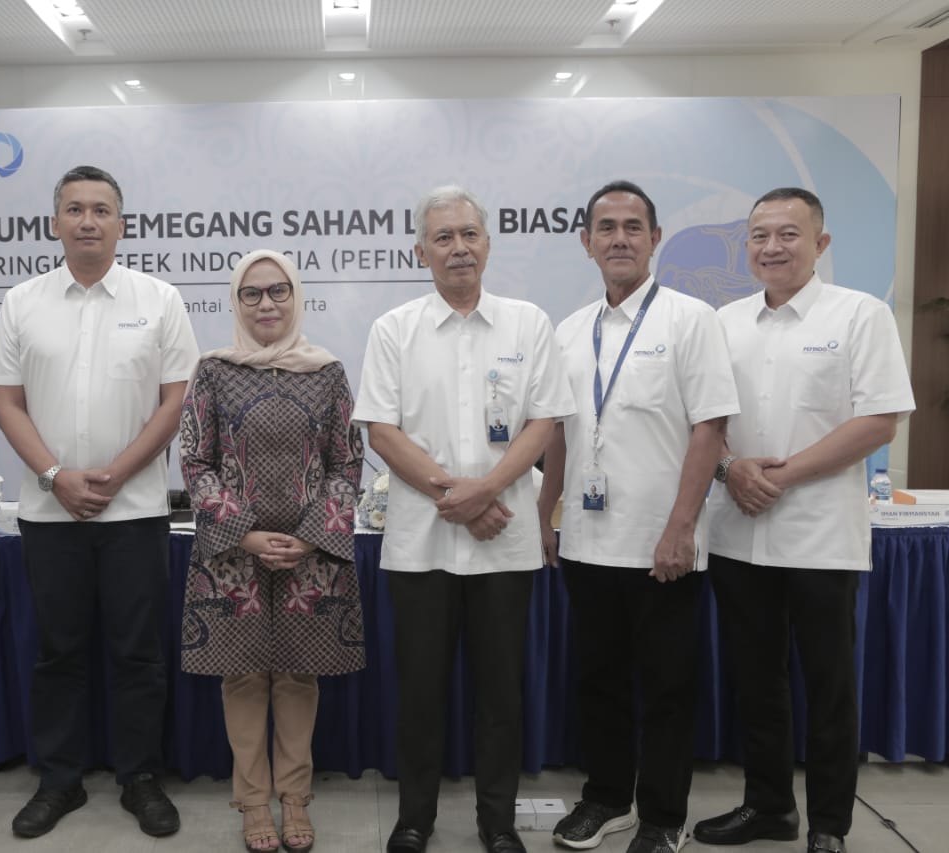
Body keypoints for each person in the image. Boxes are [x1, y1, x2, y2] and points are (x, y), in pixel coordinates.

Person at [354, 185, 575, 853]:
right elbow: (381, 431)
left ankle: (497, 822)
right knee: (420, 693)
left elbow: (544, 422)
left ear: (488, 245)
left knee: (500, 694)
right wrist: (458, 495)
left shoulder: (528, 323)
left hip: (504, 540)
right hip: (421, 544)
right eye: (443, 237)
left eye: (469, 234)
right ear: (419, 251)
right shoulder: (394, 329)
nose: (458, 248)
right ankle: (413, 820)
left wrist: (488, 490)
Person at [695, 188, 915, 853]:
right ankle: (768, 808)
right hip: (738, 532)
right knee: (756, 681)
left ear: (820, 244)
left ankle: (828, 825)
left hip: (821, 535)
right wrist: (730, 468)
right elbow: (702, 421)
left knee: (828, 686)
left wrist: (779, 476)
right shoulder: (723, 322)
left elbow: (878, 420)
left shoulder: (860, 314)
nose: (772, 247)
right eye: (759, 235)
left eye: (788, 234)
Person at [0, 165, 199, 840]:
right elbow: (7, 401)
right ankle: (59, 779)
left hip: (134, 511)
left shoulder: (158, 298)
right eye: (75, 209)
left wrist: (116, 473)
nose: (87, 221)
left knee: (139, 653)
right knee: (59, 652)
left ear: (121, 223)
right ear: (55, 222)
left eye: (101, 210)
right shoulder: (22, 301)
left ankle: (140, 777)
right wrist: (56, 475)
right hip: (51, 513)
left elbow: (176, 401)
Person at [537, 181, 739, 853]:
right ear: (586, 242)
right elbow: (559, 434)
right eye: (606, 227)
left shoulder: (690, 319)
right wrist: (545, 513)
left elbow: (710, 429)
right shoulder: (570, 330)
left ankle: (662, 815)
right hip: (587, 542)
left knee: (667, 688)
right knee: (598, 682)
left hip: (663, 546)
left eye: (632, 227)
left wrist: (681, 527)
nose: (619, 238)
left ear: (655, 239)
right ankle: (606, 798)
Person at [179, 249, 367, 853]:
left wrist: (311, 535)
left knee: (297, 676)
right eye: (253, 293)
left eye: (278, 291)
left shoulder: (327, 372)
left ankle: (296, 798)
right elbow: (195, 460)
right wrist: (245, 533)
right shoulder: (213, 370)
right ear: (237, 301)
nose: (266, 303)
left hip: (309, 553)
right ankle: (254, 802)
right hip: (233, 554)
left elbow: (348, 462)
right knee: (241, 677)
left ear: (296, 297)